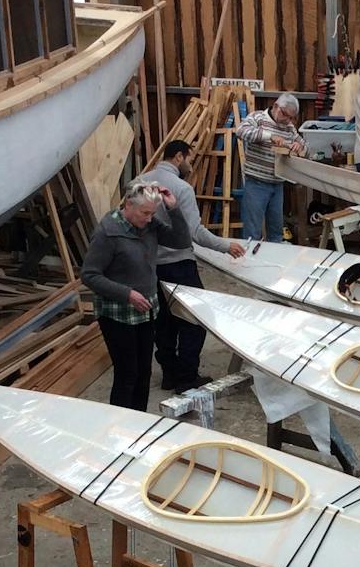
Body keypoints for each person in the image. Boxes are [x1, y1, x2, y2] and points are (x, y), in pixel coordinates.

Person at [81, 182, 192, 411]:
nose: (149, 218)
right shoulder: (108, 233)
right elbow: (89, 275)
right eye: (145, 213)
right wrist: (127, 293)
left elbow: (181, 241)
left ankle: (139, 423)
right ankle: (120, 424)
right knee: (127, 373)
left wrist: (173, 209)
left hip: (146, 310)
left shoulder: (148, 226)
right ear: (128, 205)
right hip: (118, 314)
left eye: (153, 213)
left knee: (144, 372)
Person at [146, 140, 247, 392]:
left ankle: (170, 373)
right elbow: (194, 233)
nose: (190, 164)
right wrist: (226, 246)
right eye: (189, 158)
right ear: (179, 157)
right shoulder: (181, 188)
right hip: (178, 263)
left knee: (163, 321)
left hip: (149, 266)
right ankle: (187, 376)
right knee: (194, 320)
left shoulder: (138, 182)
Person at [235, 92, 304, 242]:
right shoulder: (258, 118)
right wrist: (269, 136)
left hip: (277, 185)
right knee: (252, 232)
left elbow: (304, 145)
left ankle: (273, 262)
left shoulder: (289, 127)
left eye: (292, 118)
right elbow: (240, 131)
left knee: (276, 232)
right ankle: (248, 262)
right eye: (286, 115)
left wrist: (299, 145)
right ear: (276, 106)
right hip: (256, 184)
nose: (288, 120)